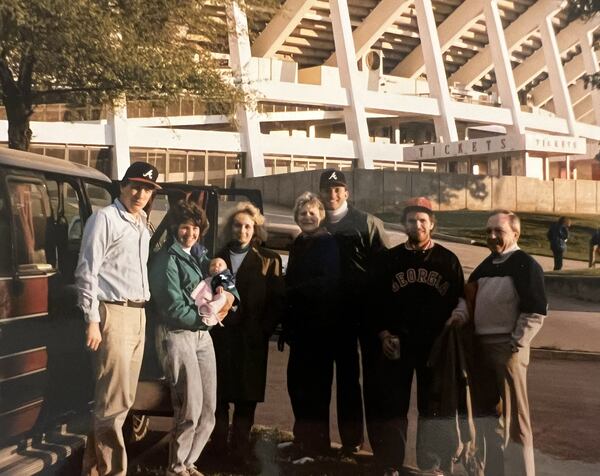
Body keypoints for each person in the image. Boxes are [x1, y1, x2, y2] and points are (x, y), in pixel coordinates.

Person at [371, 197, 467, 475]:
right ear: (403, 224)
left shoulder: (447, 260)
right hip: (397, 344)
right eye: (412, 220)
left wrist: (457, 319)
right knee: (393, 405)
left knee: (433, 405)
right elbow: (375, 303)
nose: (417, 225)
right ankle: (391, 463)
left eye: (423, 220)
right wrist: (383, 334)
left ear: (432, 224)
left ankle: (433, 464)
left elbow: (461, 299)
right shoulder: (390, 259)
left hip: (435, 346)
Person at [76, 161, 161, 476]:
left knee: (120, 401)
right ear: (123, 186)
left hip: (138, 314)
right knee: (112, 403)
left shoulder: (142, 223)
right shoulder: (104, 219)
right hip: (112, 312)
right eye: (135, 186)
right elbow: (87, 270)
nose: (141, 194)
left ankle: (93, 469)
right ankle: (114, 471)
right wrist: (92, 319)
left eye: (148, 188)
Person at [149, 201, 235, 476]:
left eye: (195, 227)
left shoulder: (201, 257)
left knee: (209, 408)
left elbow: (225, 285)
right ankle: (176, 468)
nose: (190, 233)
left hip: (202, 336)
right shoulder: (166, 260)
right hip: (177, 334)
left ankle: (188, 462)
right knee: (190, 406)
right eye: (184, 226)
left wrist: (230, 299)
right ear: (174, 227)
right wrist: (208, 318)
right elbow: (172, 308)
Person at [468, 210, 547, 476]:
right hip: (481, 350)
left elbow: (536, 311)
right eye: (488, 231)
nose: (491, 236)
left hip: (508, 351)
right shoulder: (485, 266)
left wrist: (515, 344)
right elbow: (468, 300)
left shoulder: (525, 264)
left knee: (515, 422)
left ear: (515, 233)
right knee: (488, 420)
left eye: (498, 231)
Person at [318, 169, 390, 457]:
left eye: (338, 189)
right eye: (327, 189)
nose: (332, 195)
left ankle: (381, 448)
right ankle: (351, 440)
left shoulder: (367, 222)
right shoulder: (318, 222)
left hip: (367, 312)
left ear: (347, 192)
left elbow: (384, 270)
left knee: (373, 379)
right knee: (346, 377)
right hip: (336, 314)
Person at [209, 202, 285, 467]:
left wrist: (264, 330)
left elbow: (276, 301)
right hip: (220, 338)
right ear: (230, 227)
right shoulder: (215, 256)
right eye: (237, 225)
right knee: (218, 395)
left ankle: (240, 449)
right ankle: (217, 446)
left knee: (246, 397)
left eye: (248, 226)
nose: (242, 230)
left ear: (255, 230)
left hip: (252, 339)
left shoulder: (269, 259)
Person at [282, 192, 341, 460]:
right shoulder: (299, 243)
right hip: (300, 330)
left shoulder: (326, 243)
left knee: (316, 390)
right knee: (297, 386)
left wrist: (291, 292)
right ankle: (301, 440)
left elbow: (326, 282)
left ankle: (317, 447)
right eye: (303, 213)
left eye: (312, 212)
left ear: (321, 215)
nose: (307, 217)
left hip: (320, 329)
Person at [191, 257, 240, 327]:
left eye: (220, 265)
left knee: (222, 297)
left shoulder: (224, 276)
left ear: (225, 269)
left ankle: (211, 309)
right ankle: (205, 309)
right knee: (202, 299)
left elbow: (226, 281)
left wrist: (221, 286)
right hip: (207, 297)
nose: (216, 266)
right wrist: (193, 295)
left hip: (219, 295)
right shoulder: (207, 278)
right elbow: (201, 285)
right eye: (213, 265)